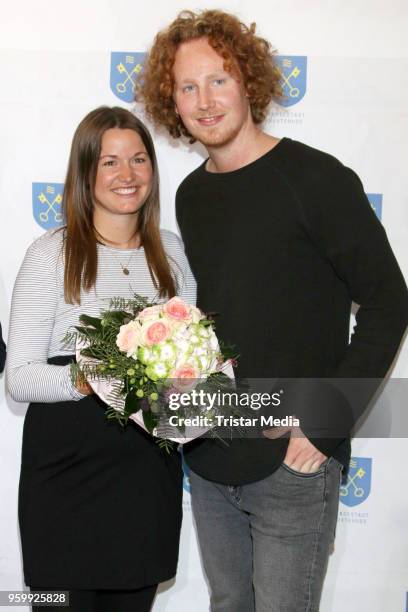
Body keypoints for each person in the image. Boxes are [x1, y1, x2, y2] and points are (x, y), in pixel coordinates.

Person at [138, 10, 408, 612]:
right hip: (212, 454)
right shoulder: (192, 196)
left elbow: (389, 303)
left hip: (293, 461)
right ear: (171, 101)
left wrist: (325, 423)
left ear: (250, 82)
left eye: (219, 79)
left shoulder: (316, 180)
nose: (204, 101)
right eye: (187, 86)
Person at [6, 106, 196, 612]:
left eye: (138, 159)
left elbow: (191, 364)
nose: (127, 175)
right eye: (110, 161)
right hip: (65, 478)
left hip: (145, 479)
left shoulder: (173, 253)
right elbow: (20, 377)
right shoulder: (52, 253)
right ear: (86, 171)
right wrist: (92, 378)